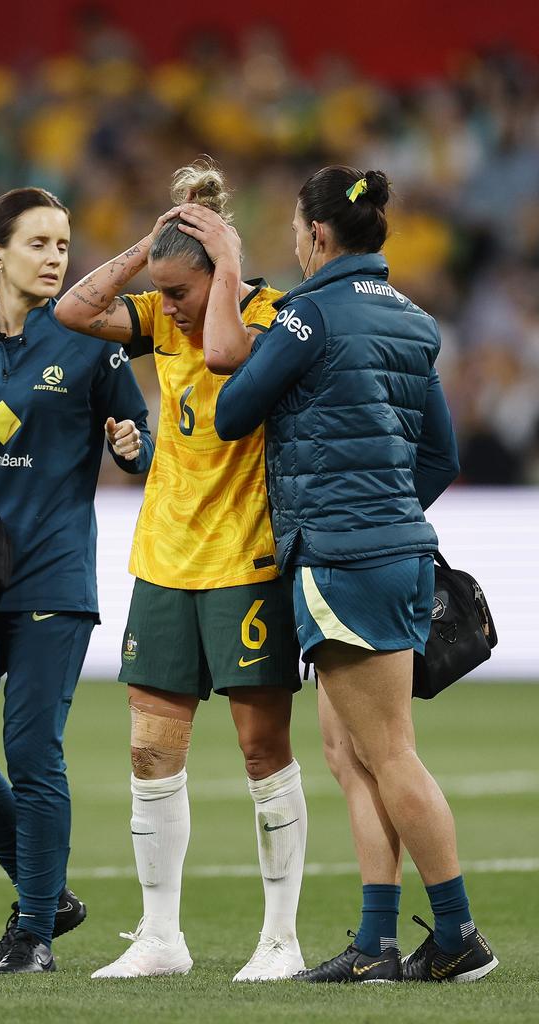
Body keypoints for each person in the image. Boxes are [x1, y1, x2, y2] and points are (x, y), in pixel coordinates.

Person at [212, 166, 499, 983]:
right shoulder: (413, 320)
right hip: (398, 551)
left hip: (342, 559)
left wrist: (358, 521)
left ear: (316, 237)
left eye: (299, 231)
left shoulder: (309, 314)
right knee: (350, 754)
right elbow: (439, 453)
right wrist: (387, 513)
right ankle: (376, 943)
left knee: (389, 754)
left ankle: (458, 935)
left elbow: (235, 413)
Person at [55, 160, 307, 982]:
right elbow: (72, 309)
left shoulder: (272, 319)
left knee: (262, 752)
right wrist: (144, 252)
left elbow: (228, 348)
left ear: (222, 275)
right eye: (161, 294)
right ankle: (160, 937)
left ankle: (280, 940)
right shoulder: (162, 321)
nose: (167, 309)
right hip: (164, 558)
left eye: (179, 292)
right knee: (149, 754)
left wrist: (227, 264)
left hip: (245, 559)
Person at [0, 186, 153, 975]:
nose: (55, 259)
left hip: (51, 572)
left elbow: (138, 447)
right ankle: (50, 891)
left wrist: (128, 442)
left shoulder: (91, 341)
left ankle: (34, 929)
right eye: (39, 244)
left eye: (63, 247)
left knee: (32, 750)